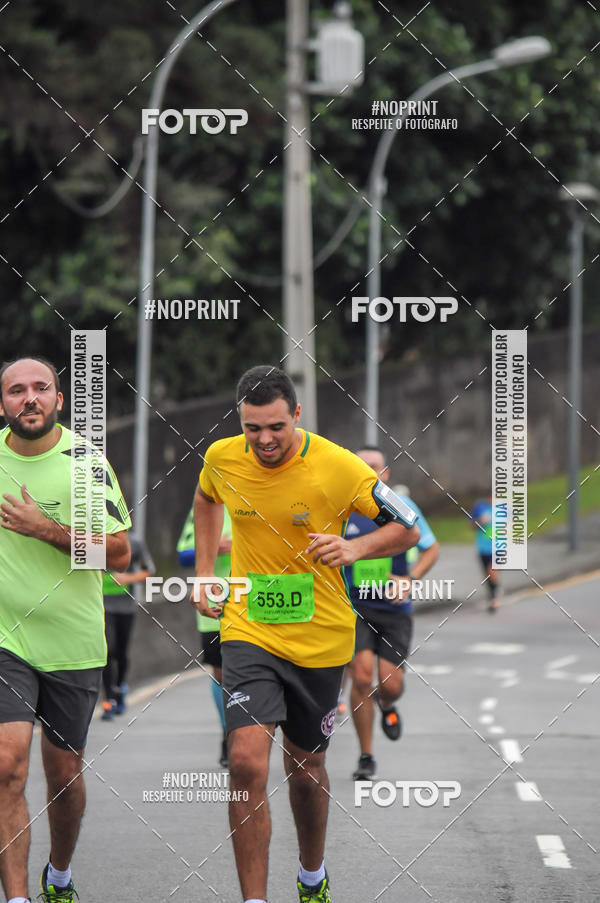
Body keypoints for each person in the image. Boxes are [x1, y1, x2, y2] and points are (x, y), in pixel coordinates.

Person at [191, 365, 420, 903]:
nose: (264, 440)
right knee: (246, 760)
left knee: (305, 767)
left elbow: (407, 521)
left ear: (296, 414)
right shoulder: (222, 457)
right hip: (249, 628)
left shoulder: (337, 467)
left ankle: (312, 875)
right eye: (252, 429)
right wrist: (205, 573)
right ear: (239, 422)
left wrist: (356, 547)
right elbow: (205, 500)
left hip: (321, 637)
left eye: (276, 427)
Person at [0, 357, 131, 903]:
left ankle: (58, 873)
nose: (29, 398)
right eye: (15, 391)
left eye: (40, 388)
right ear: (2, 403)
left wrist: (46, 530)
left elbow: (119, 554)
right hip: (7, 639)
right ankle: (17, 897)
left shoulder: (85, 462)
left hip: (74, 646)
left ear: (58, 398)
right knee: (6, 763)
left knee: (64, 779)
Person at [344, 452, 439, 781]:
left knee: (390, 684)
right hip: (356, 608)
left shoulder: (403, 508)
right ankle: (366, 755)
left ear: (385, 472)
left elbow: (431, 548)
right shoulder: (344, 510)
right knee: (361, 676)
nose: (367, 471)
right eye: (360, 466)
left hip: (395, 610)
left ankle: (386, 704)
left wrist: (410, 580)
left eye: (373, 466)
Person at [177, 504, 231, 766]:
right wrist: (213, 546)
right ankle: (227, 733)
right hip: (214, 606)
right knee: (221, 674)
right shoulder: (207, 503)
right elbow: (183, 556)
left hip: (256, 604)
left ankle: (249, 733)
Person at [101, 535, 154, 721]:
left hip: (126, 607)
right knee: (107, 651)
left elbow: (148, 572)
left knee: (121, 654)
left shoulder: (135, 543)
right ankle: (109, 700)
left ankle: (120, 686)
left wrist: (127, 578)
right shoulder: (93, 538)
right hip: (101, 606)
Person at [471, 493, 500, 612]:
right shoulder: (480, 508)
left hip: (498, 547)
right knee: (487, 575)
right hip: (483, 547)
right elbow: (470, 525)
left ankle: (494, 597)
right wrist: (480, 521)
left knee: (492, 569)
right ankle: (492, 593)